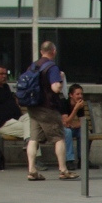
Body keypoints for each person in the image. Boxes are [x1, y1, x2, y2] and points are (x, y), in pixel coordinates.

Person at [23, 40, 73, 180]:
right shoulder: (52, 67)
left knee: (33, 139)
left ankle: (32, 170)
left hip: (33, 107)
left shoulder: (32, 66)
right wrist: (61, 79)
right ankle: (63, 170)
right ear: (54, 52)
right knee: (59, 138)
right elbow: (55, 88)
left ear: (41, 51)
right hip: (48, 108)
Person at [61, 83, 87, 165]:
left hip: (71, 128)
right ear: (71, 95)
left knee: (83, 132)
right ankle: (69, 160)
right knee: (67, 132)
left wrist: (75, 125)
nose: (80, 96)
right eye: (77, 94)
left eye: (81, 94)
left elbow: (82, 122)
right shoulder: (64, 103)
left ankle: (82, 160)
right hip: (59, 129)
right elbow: (66, 122)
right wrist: (75, 109)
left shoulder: (80, 104)